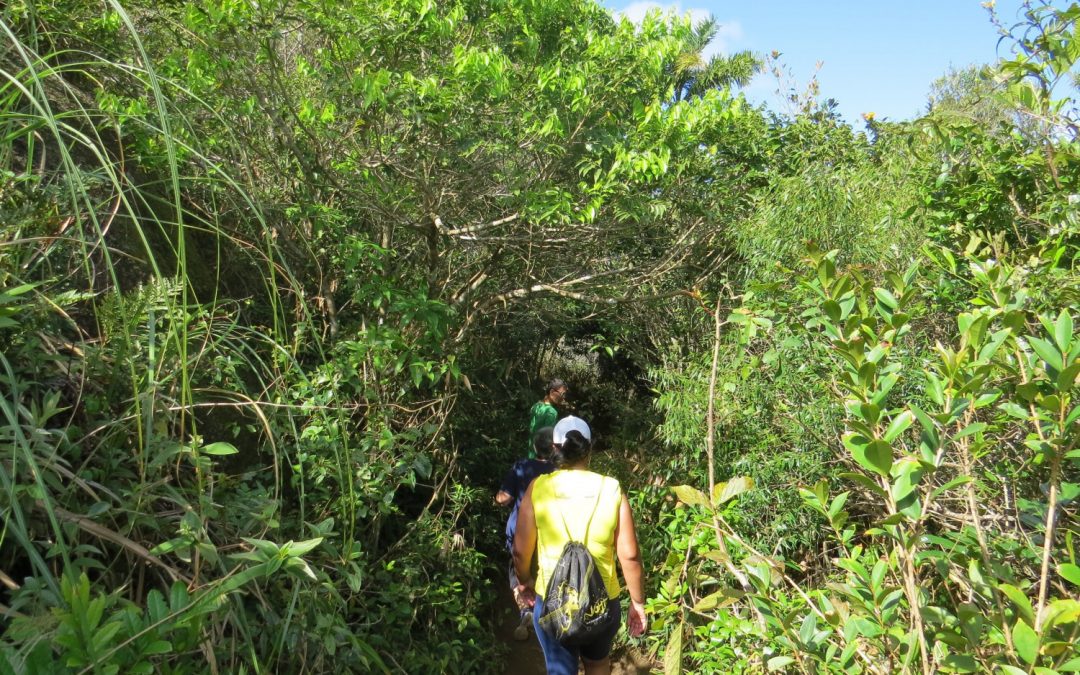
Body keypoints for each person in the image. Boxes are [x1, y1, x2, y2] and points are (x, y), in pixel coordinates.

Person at [512, 416, 647, 675]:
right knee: (598, 664)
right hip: (603, 601)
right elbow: (629, 556)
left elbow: (520, 550)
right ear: (589, 448)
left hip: (552, 601)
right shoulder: (611, 489)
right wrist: (637, 602)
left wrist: (525, 580)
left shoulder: (538, 488)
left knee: (561, 669)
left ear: (554, 447)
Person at [496, 426, 556, 640]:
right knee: (542, 571)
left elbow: (503, 498)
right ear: (555, 447)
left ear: (534, 446)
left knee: (517, 573)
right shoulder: (557, 471)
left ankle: (526, 611)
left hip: (519, 531)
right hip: (547, 532)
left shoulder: (521, 466)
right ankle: (544, 614)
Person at [527, 379, 567, 458]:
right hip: (542, 457)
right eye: (562, 394)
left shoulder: (536, 406)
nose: (563, 398)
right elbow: (547, 439)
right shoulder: (551, 412)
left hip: (531, 453)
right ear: (552, 392)